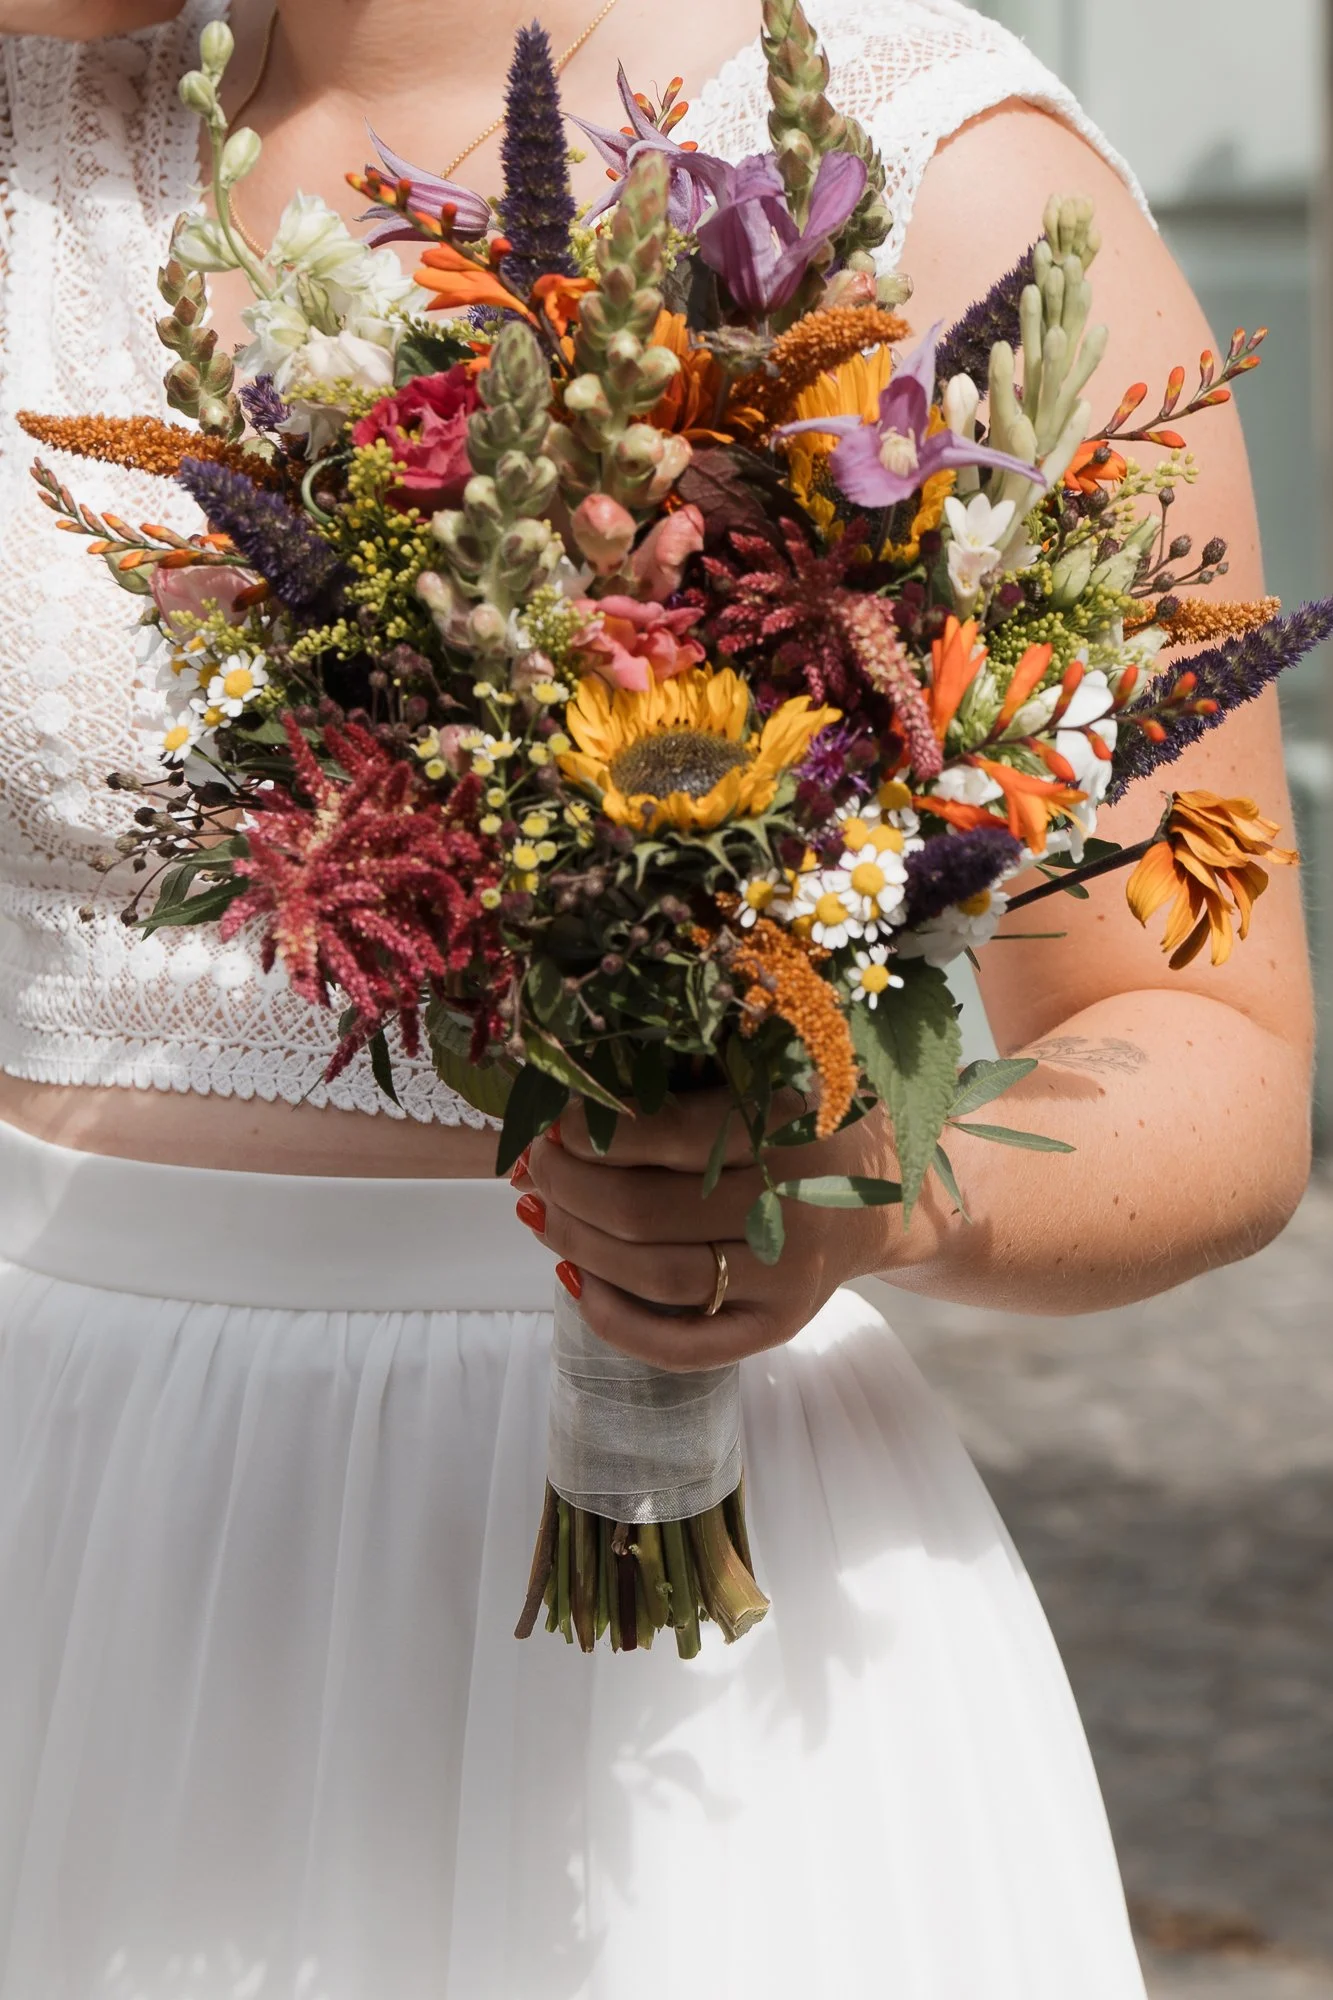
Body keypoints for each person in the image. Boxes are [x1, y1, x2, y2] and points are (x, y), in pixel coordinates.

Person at [0, 0, 1313, 1994]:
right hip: (60, 1543)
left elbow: (1217, 1051)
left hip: (642, 1645)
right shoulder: (38, 147)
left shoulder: (941, 176)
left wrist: (866, 1188)